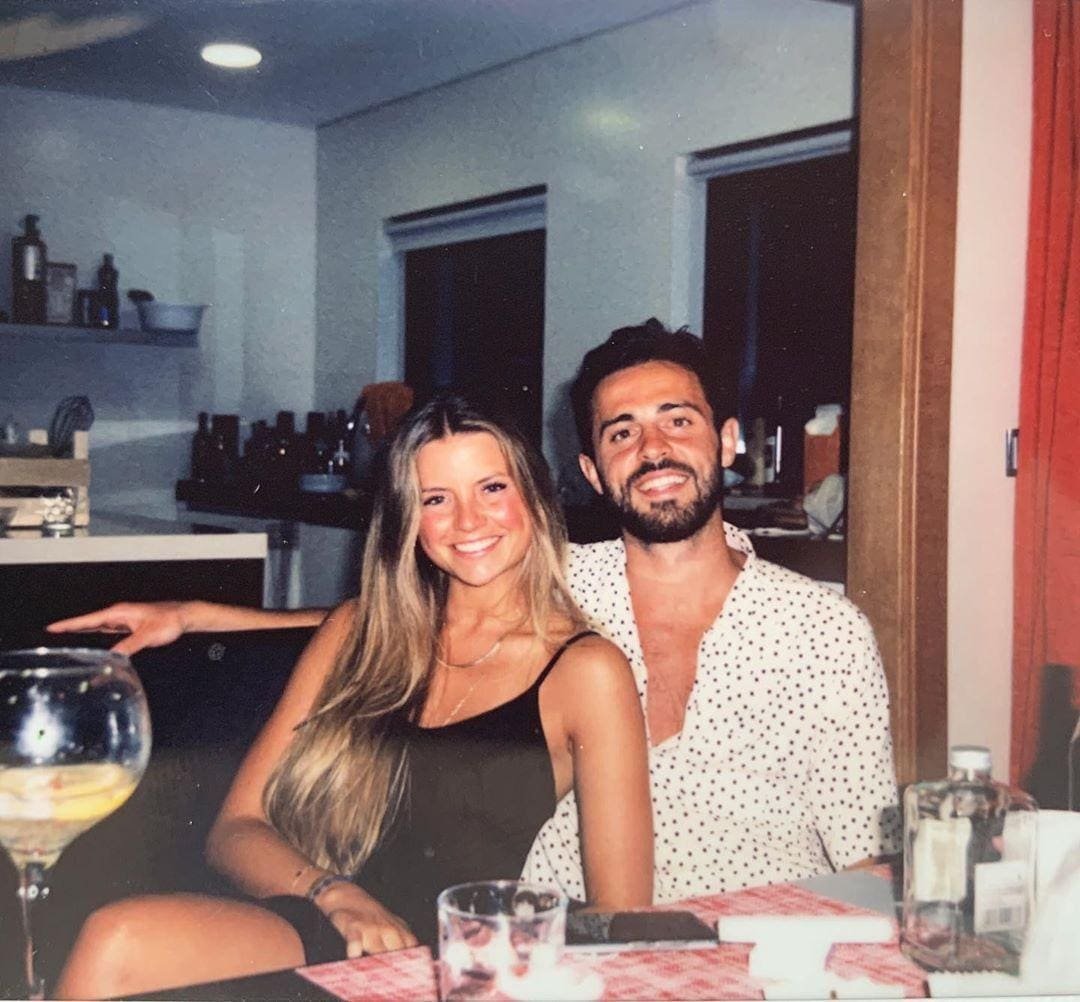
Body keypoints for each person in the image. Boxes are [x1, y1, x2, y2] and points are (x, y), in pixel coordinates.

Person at [51, 319, 900, 907]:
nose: (652, 449)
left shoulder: (823, 633)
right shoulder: (556, 584)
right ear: (590, 472)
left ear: (728, 441)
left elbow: (867, 860)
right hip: (550, 941)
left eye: (677, 421)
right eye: (621, 432)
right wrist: (199, 615)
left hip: (751, 957)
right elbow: (391, 615)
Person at [53, 394, 652, 1000]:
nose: (468, 521)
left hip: (436, 965)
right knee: (115, 940)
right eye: (436, 499)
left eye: (492, 488)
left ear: (536, 498)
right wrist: (334, 894)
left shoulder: (588, 672)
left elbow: (624, 915)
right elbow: (234, 828)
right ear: (407, 519)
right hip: (310, 921)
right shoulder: (355, 634)